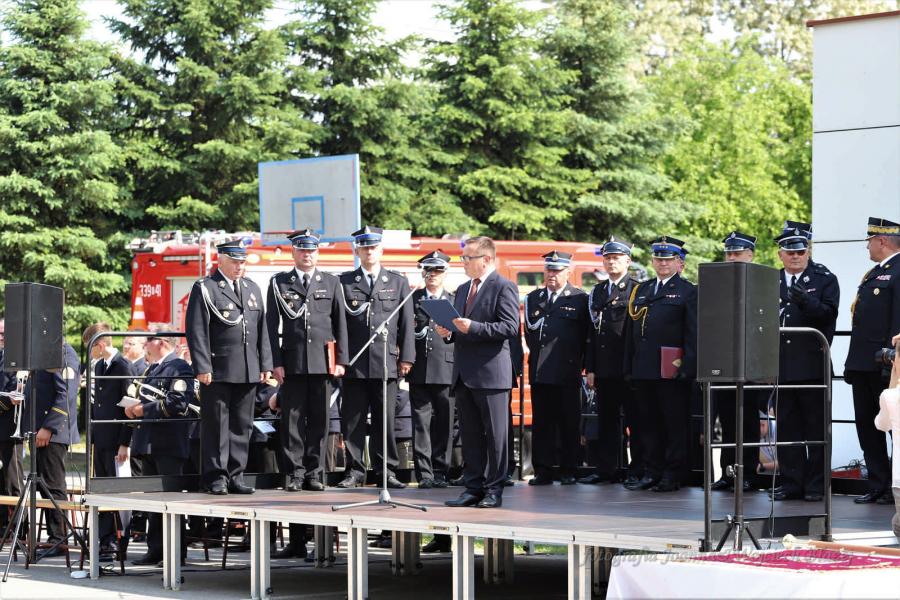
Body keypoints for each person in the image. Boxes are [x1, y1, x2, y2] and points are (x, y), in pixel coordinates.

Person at [437, 236, 520, 509]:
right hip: (464, 373)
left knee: (496, 437)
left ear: (485, 260)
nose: (463, 262)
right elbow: (459, 327)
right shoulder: (463, 288)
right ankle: (473, 487)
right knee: (470, 436)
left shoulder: (503, 286)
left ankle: (494, 489)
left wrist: (473, 327)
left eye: (467, 258)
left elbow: (510, 327)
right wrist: (448, 332)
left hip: (491, 373)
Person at [185, 239, 272, 495]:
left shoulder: (251, 287)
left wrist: (264, 363)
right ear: (220, 259)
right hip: (218, 369)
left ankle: (236, 475)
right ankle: (216, 477)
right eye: (234, 261)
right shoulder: (206, 287)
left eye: (242, 262)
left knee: (242, 426)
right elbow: (197, 330)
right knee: (216, 426)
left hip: (248, 368)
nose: (239, 266)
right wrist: (202, 365)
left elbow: (262, 329)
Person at [266, 229, 348, 494]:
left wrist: (341, 360)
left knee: (320, 421)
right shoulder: (279, 283)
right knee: (292, 422)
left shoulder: (331, 282)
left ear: (318, 252)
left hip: (323, 363)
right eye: (302, 250)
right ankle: (294, 473)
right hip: (292, 363)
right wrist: (275, 362)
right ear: (293, 252)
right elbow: (270, 327)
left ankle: (314, 472)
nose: (307, 255)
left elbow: (340, 324)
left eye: (311, 250)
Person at [336, 226, 415, 489]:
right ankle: (355, 471)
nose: (369, 251)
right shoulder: (344, 282)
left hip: (385, 363)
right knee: (353, 421)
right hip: (355, 364)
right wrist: (341, 360)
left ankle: (386, 471)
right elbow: (339, 325)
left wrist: (407, 358)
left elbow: (406, 323)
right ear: (357, 251)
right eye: (364, 247)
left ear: (381, 250)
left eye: (373, 247)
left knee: (385, 420)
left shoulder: (397, 281)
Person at [623, 236, 697, 492]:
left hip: (671, 370)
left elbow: (693, 332)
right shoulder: (642, 290)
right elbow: (631, 333)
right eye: (658, 259)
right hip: (644, 368)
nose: (663, 263)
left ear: (679, 262)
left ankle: (673, 474)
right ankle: (652, 471)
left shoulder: (688, 291)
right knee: (648, 424)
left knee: (674, 425)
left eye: (668, 259)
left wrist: (688, 366)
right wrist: (629, 367)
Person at [772, 221, 839, 502]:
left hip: (812, 367)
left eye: (800, 251)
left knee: (816, 430)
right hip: (782, 367)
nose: (796, 256)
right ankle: (791, 483)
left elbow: (829, 315)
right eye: (790, 252)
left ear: (808, 251)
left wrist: (806, 302)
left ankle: (816, 485)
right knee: (787, 430)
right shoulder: (771, 281)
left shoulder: (824, 279)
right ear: (780, 254)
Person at [125, 332, 195, 566]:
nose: (146, 344)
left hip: (168, 443)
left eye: (150, 340)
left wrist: (144, 409)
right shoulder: (152, 369)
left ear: (162, 342)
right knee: (153, 502)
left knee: (171, 501)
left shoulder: (179, 367)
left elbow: (178, 402)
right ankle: (155, 549)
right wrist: (133, 407)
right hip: (150, 442)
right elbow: (145, 397)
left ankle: (175, 552)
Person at [845, 217, 900, 505]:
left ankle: (895, 487)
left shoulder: (898, 271)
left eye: (870, 241)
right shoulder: (873, 273)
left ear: (882, 240)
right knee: (868, 426)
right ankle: (878, 485)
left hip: (886, 365)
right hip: (864, 364)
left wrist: (893, 359)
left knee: (894, 429)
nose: (867, 246)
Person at [524, 251, 590, 486]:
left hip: (567, 369)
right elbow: (530, 334)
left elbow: (586, 337)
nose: (552, 274)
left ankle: (569, 468)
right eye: (549, 270)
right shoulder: (534, 298)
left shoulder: (580, 298)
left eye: (557, 270)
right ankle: (543, 470)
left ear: (568, 272)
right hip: (540, 370)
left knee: (568, 422)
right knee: (542, 423)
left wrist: (585, 366)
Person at [582, 237, 640, 486]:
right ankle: (607, 469)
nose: (611, 262)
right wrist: (591, 367)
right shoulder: (597, 291)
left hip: (627, 368)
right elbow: (592, 333)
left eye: (616, 258)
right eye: (607, 258)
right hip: (604, 368)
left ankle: (637, 470)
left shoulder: (636, 289)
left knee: (635, 422)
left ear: (628, 261)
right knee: (606, 422)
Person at [711, 231, 761, 492]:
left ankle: (748, 474)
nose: (732, 257)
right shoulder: (718, 283)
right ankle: (727, 472)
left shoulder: (760, 281)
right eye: (729, 253)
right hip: (723, 361)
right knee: (727, 421)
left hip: (750, 363)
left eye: (737, 253)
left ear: (750, 255)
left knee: (748, 422)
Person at [19, 342, 80, 559]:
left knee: (53, 486)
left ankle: (59, 539)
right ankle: (53, 537)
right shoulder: (45, 350)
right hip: (39, 431)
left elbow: (66, 393)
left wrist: (49, 427)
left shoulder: (64, 352)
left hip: (52, 433)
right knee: (44, 487)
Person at [82, 322, 132, 556]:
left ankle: (117, 541)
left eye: (91, 347)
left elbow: (129, 407)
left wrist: (125, 442)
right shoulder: (101, 366)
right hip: (101, 438)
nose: (90, 353)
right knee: (102, 490)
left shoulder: (123, 365)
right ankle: (104, 537)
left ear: (100, 345)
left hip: (115, 440)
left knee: (116, 491)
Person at [407, 250, 456, 491]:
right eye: (428, 270)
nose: (432, 275)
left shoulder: (454, 300)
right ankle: (424, 473)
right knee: (420, 424)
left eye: (437, 270)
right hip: (420, 368)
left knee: (445, 423)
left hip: (446, 368)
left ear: (445, 273)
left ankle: (440, 471)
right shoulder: (412, 299)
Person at [0, 318, 24, 535]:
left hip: (11, 426)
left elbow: (16, 391)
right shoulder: (2, 356)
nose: (0, 338)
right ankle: (3, 527)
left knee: (12, 480)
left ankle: (19, 528)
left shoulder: (18, 358)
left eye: (3, 334)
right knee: (2, 480)